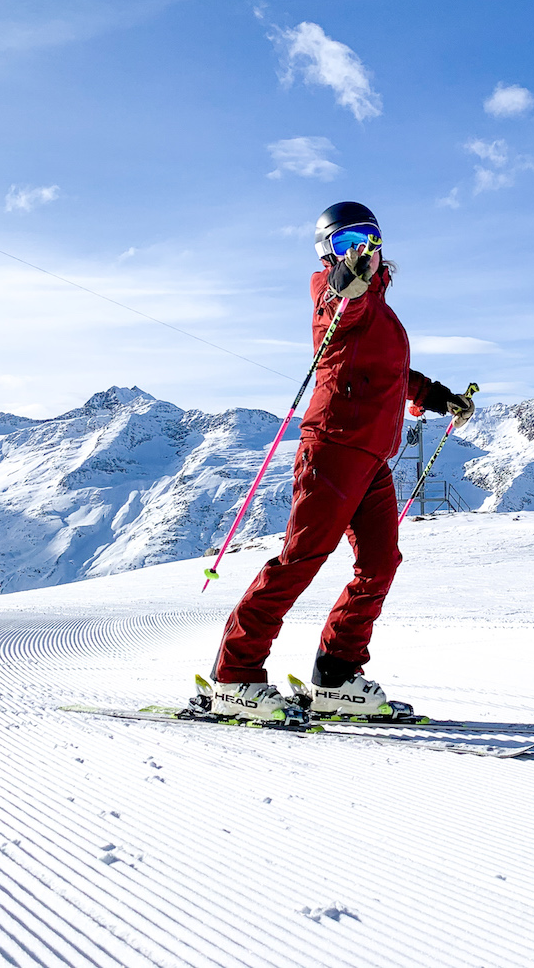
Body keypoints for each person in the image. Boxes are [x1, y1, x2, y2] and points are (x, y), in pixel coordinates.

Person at [208, 201, 474, 722]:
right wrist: (344, 285)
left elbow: (392, 374)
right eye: (344, 240)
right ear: (326, 250)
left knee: (380, 563)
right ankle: (235, 675)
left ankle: (336, 676)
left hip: (372, 455)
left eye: (368, 237)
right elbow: (336, 309)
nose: (359, 249)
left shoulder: (382, 308)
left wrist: (438, 397)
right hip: (331, 447)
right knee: (300, 561)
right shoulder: (332, 292)